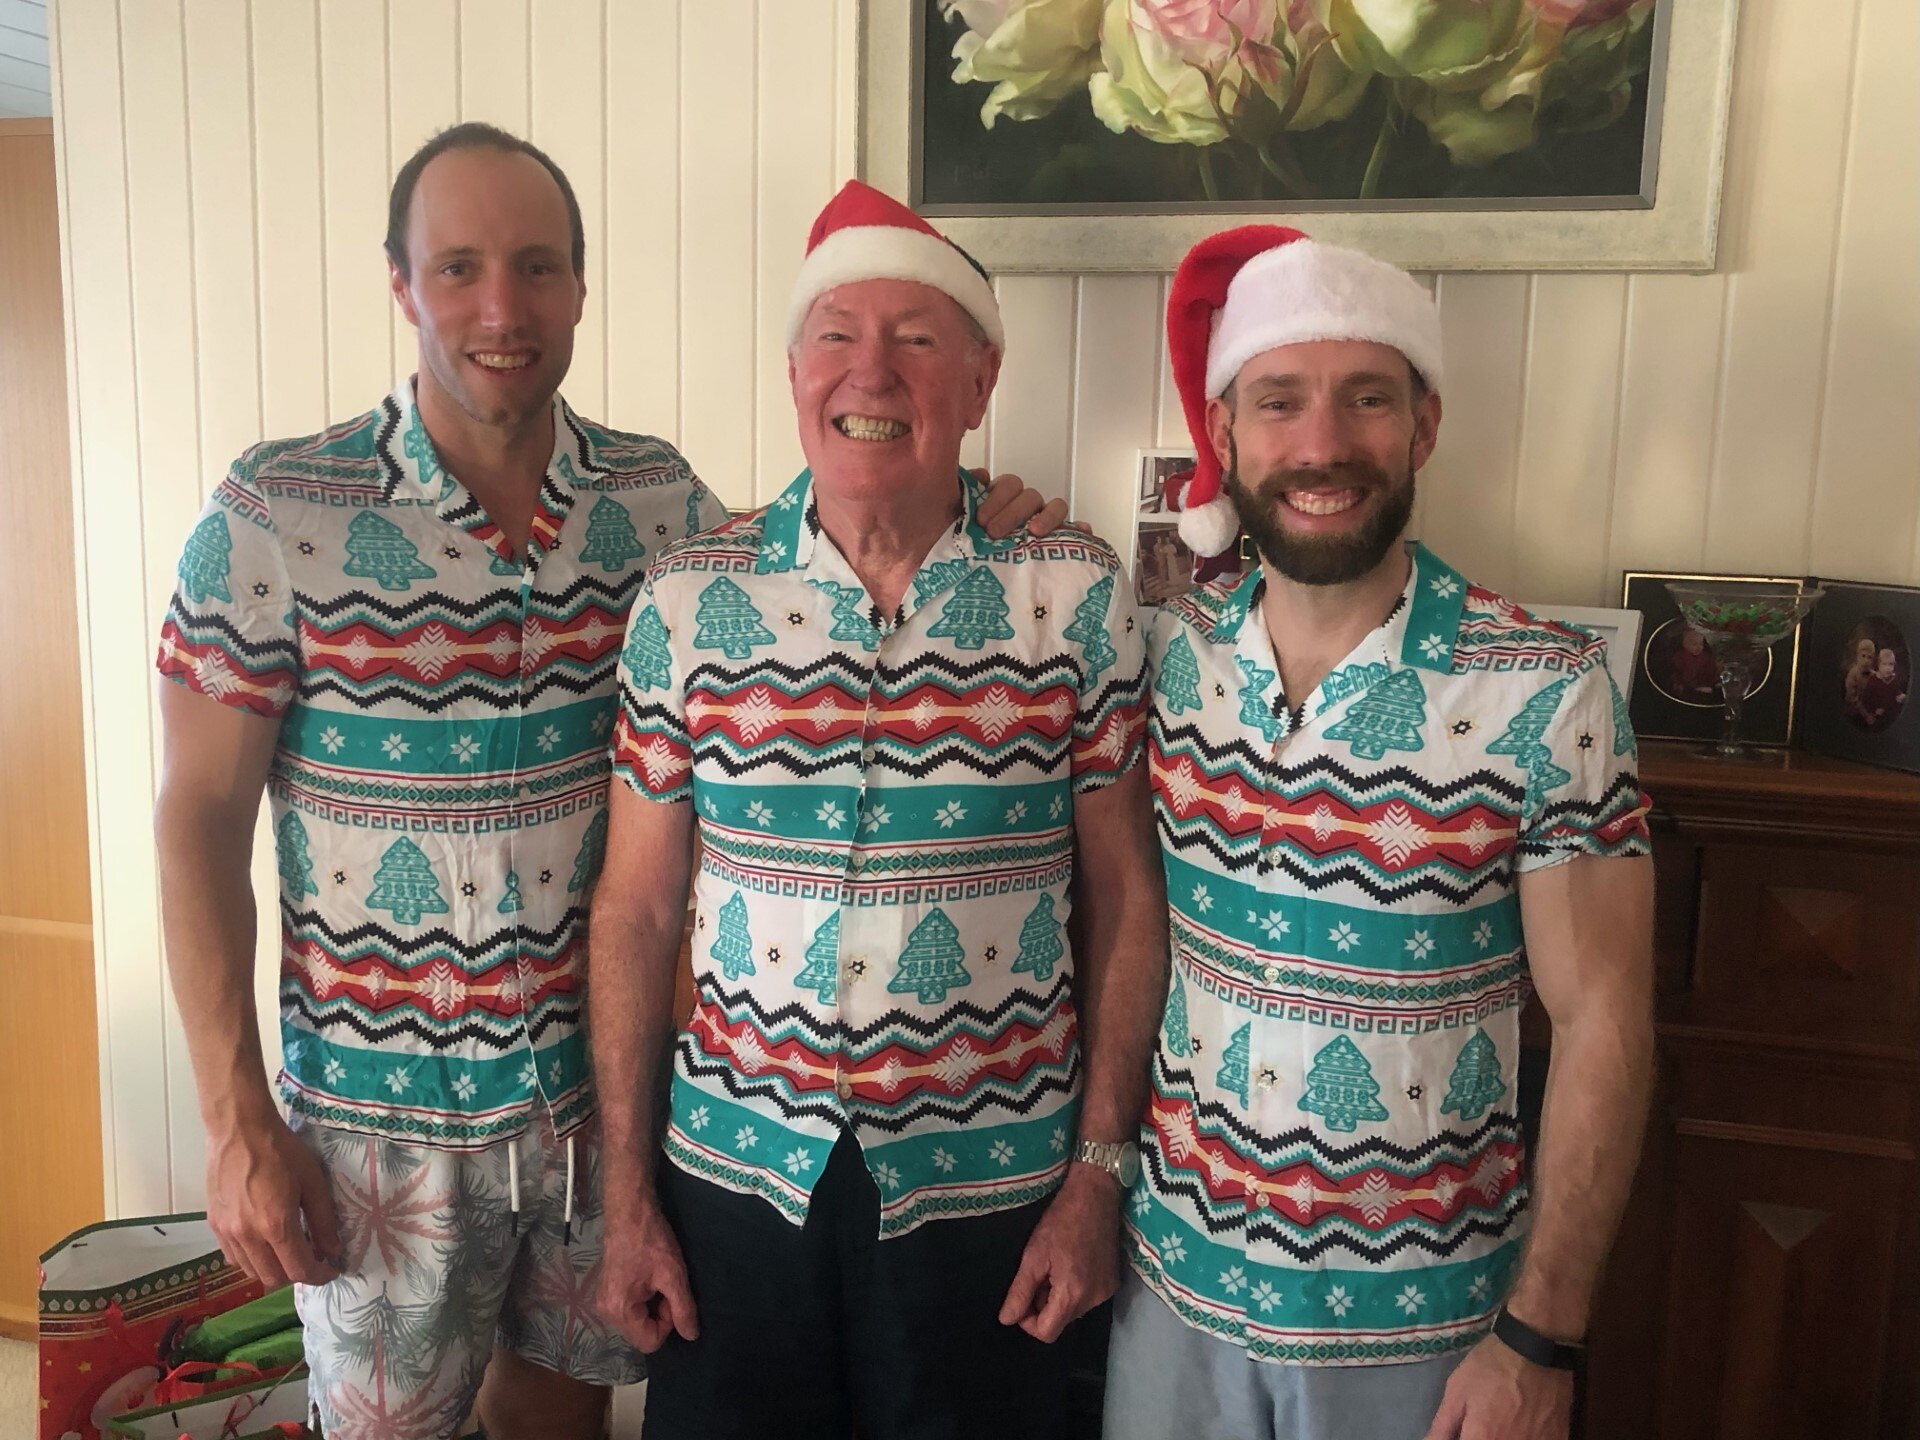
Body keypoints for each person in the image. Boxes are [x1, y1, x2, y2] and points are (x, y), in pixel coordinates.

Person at [151, 126, 1058, 1439]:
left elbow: (826, 552)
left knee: (564, 1427)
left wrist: (980, 511)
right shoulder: (274, 513)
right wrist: (234, 1115)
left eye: (536, 266)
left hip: (593, 1117)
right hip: (378, 1136)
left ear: (581, 284)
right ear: (400, 282)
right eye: (458, 268)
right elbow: (194, 821)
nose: (501, 308)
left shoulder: (660, 506)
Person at [587, 180, 1169, 1440]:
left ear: (981, 381)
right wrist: (625, 1197)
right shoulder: (687, 600)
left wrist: (1098, 1178)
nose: (872, 371)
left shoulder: (1072, 596)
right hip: (734, 1187)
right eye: (838, 335)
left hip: (996, 1197)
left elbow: (1128, 897)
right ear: (795, 371)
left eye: (916, 338)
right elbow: (634, 909)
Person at [1102, 226, 1657, 1440]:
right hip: (1171, 1306)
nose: (1322, 445)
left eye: (1366, 397)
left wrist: (1540, 1338)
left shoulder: (1545, 689)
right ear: (1226, 432)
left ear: (1424, 426)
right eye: (1280, 401)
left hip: (1429, 1340)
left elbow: (1605, 1022)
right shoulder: (1168, 656)